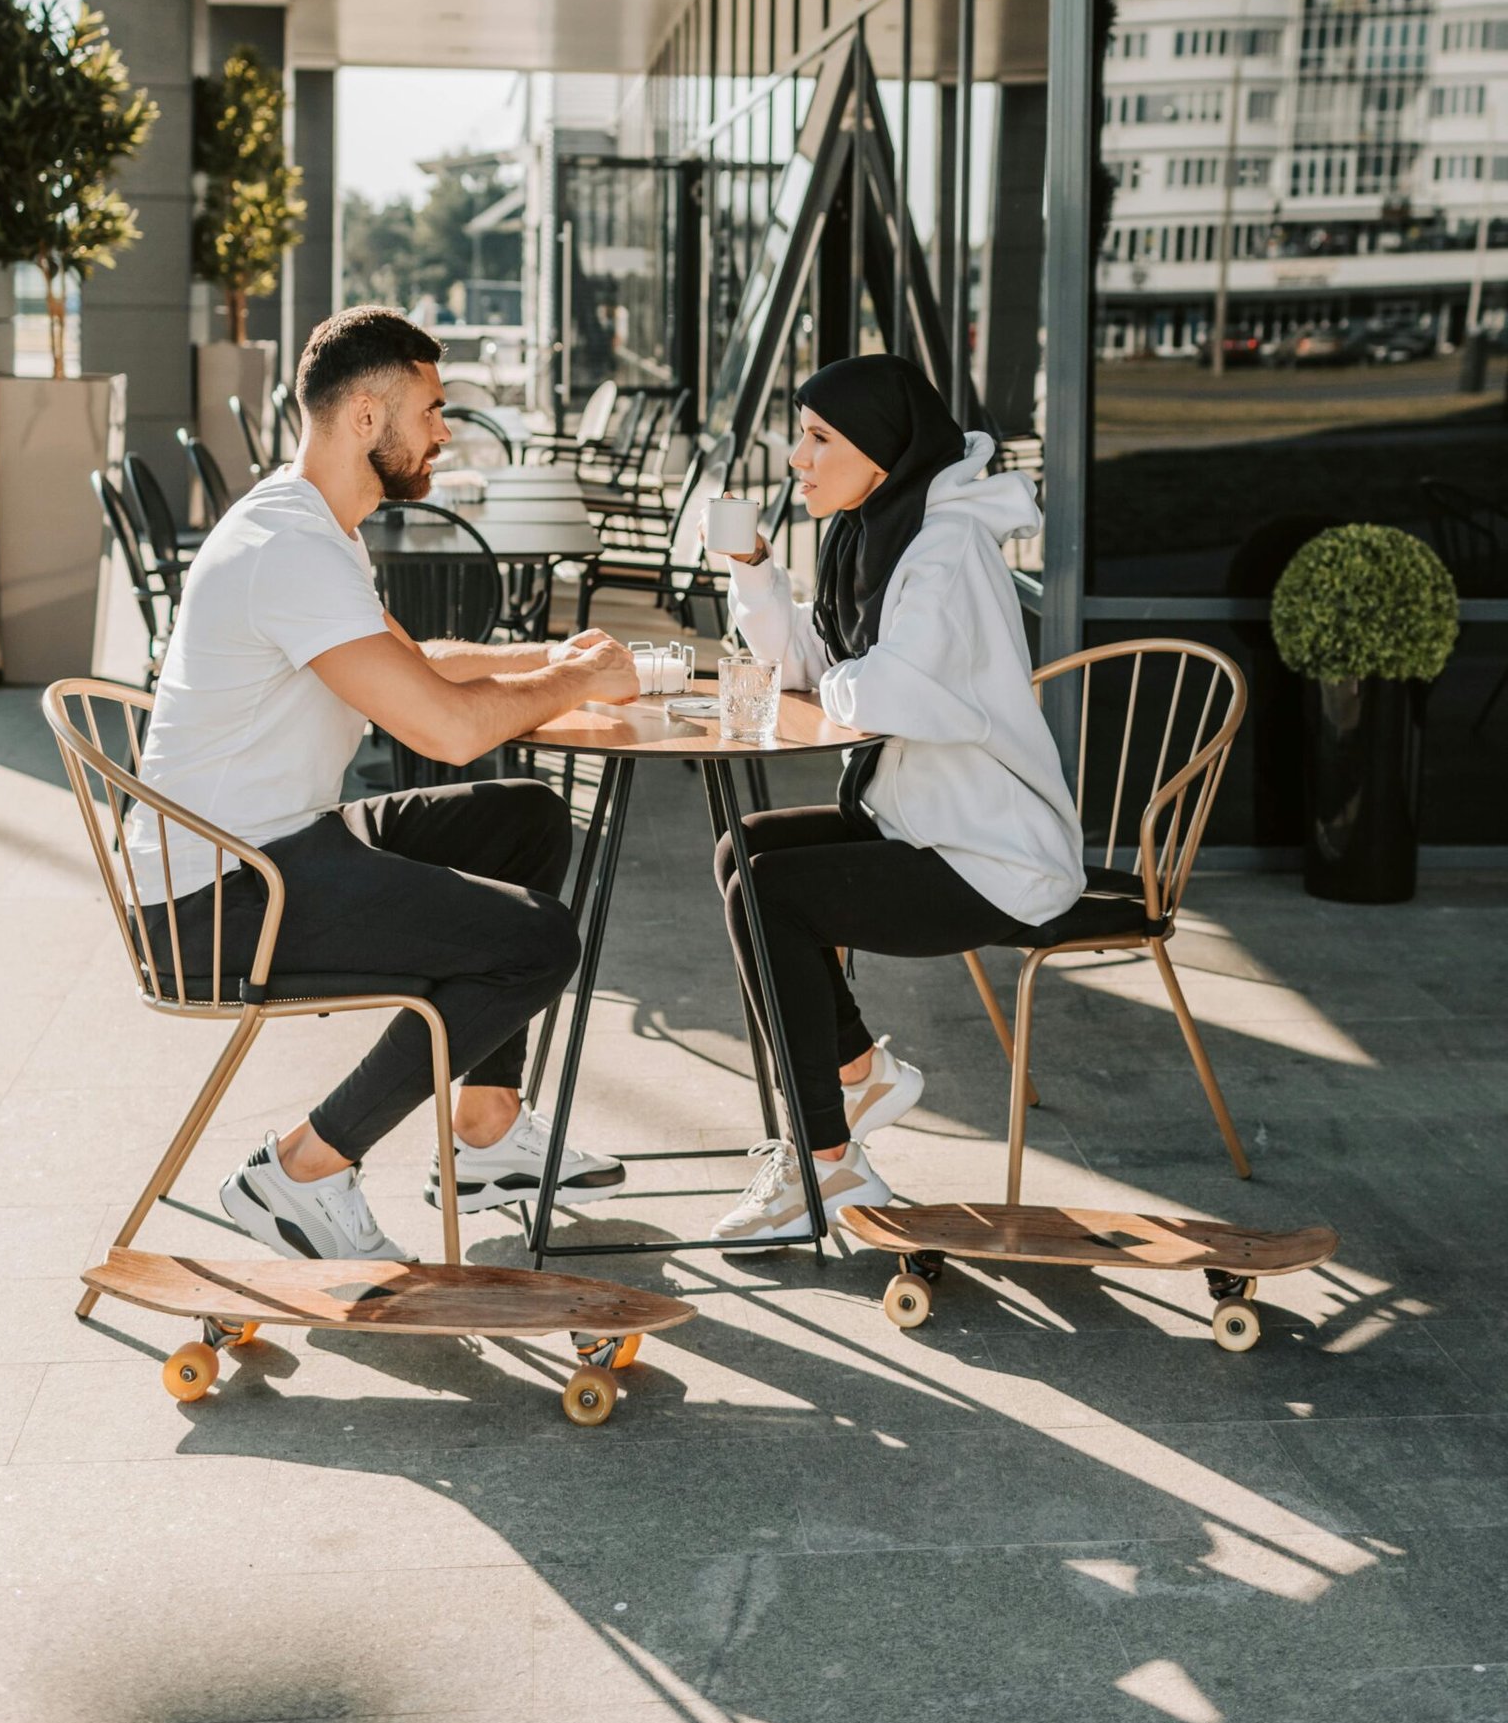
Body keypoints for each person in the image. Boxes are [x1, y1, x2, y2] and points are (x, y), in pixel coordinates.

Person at [127, 305, 640, 1263]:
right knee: (532, 942)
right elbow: (444, 732)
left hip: (277, 839)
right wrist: (573, 684)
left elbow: (421, 664)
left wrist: (559, 653)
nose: (446, 432)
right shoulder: (291, 548)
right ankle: (303, 1166)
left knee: (523, 818)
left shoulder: (311, 524)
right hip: (222, 894)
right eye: (433, 410)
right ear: (367, 417)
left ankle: (485, 1133)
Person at [708, 353, 1086, 1242]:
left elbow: (886, 691)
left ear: (880, 452)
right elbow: (803, 663)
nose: (797, 457)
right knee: (743, 850)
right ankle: (858, 1071)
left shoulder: (944, 550)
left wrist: (824, 688)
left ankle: (824, 1161)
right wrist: (757, 567)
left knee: (770, 893)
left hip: (989, 854)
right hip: (917, 817)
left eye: (817, 437)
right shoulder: (876, 529)